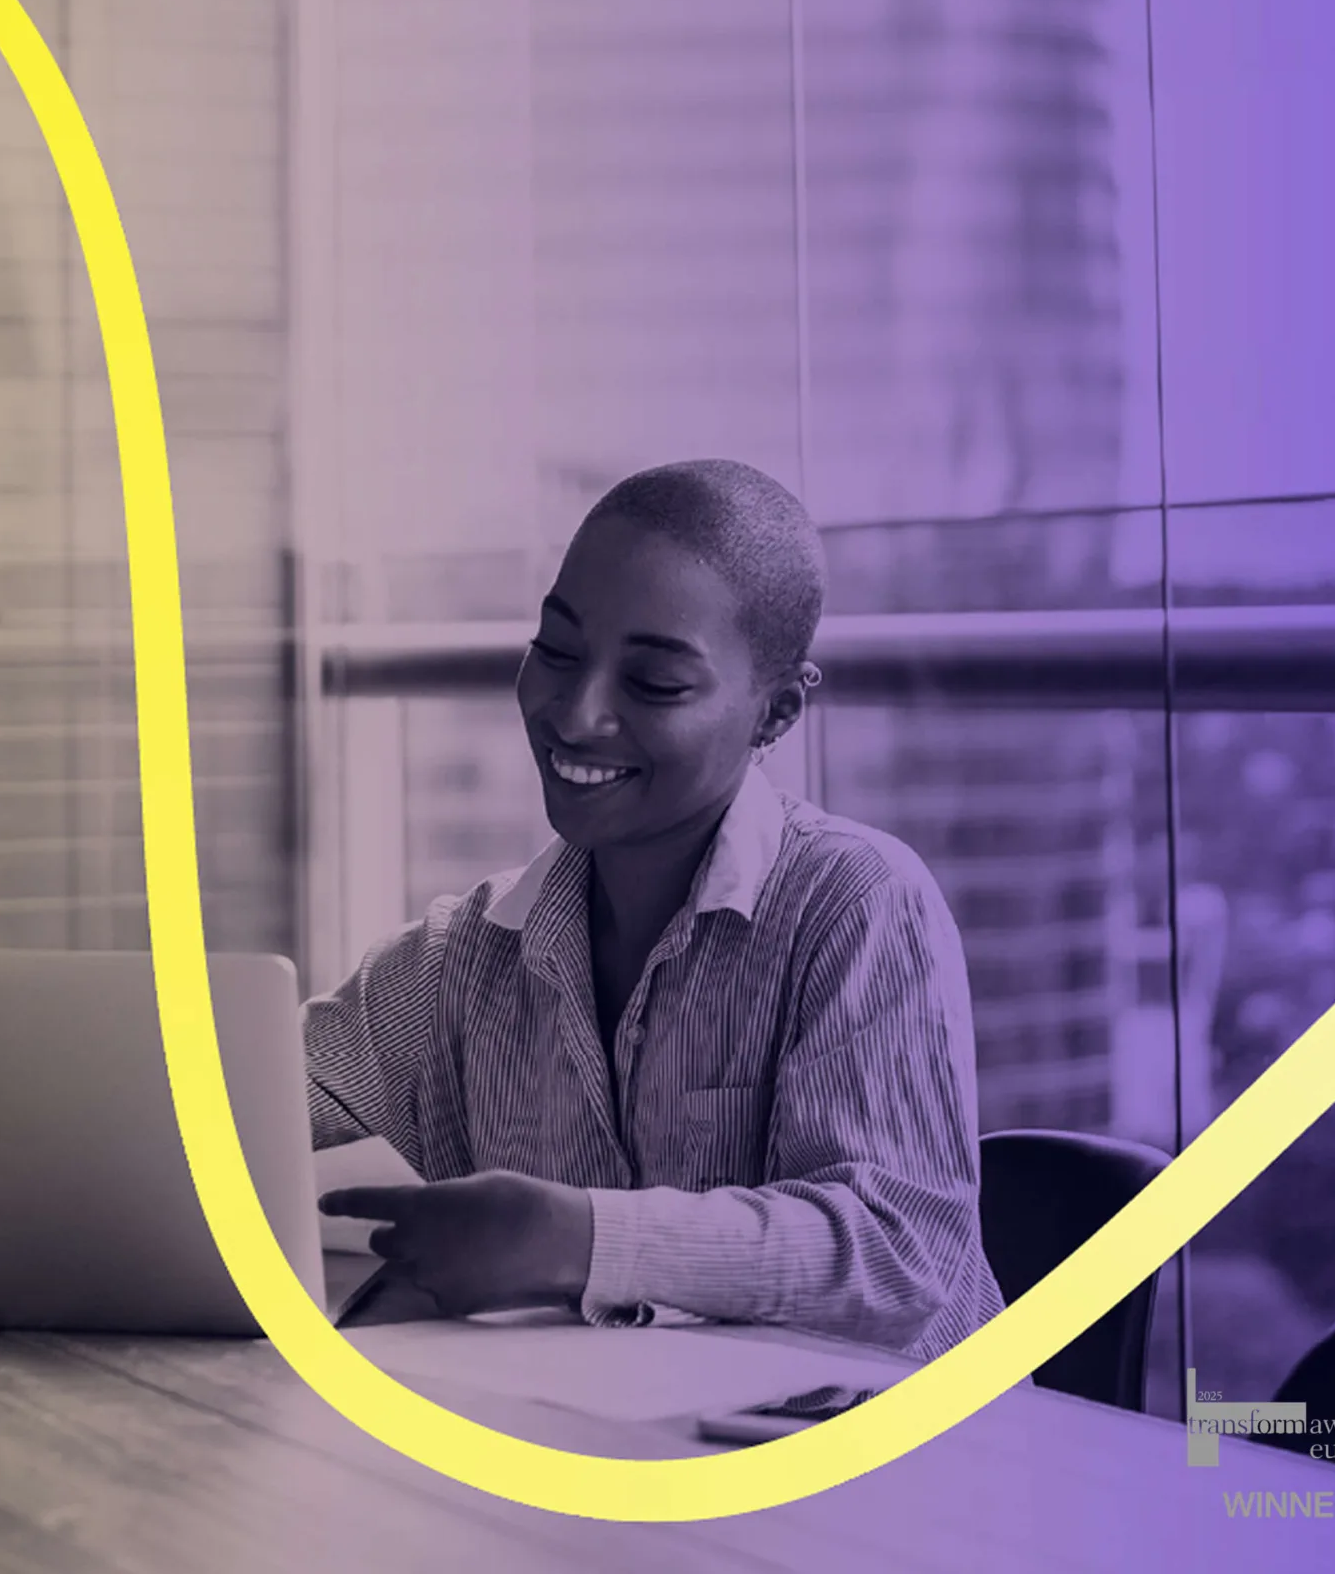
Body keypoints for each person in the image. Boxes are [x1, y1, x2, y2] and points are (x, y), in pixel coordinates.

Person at [309, 458, 1004, 1360]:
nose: (577, 711)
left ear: (777, 711)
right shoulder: (464, 959)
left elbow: (903, 1256)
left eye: (655, 685)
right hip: (626, 1462)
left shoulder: (859, 903)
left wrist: (579, 1239)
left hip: (902, 1472)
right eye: (556, 651)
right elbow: (242, 1111)